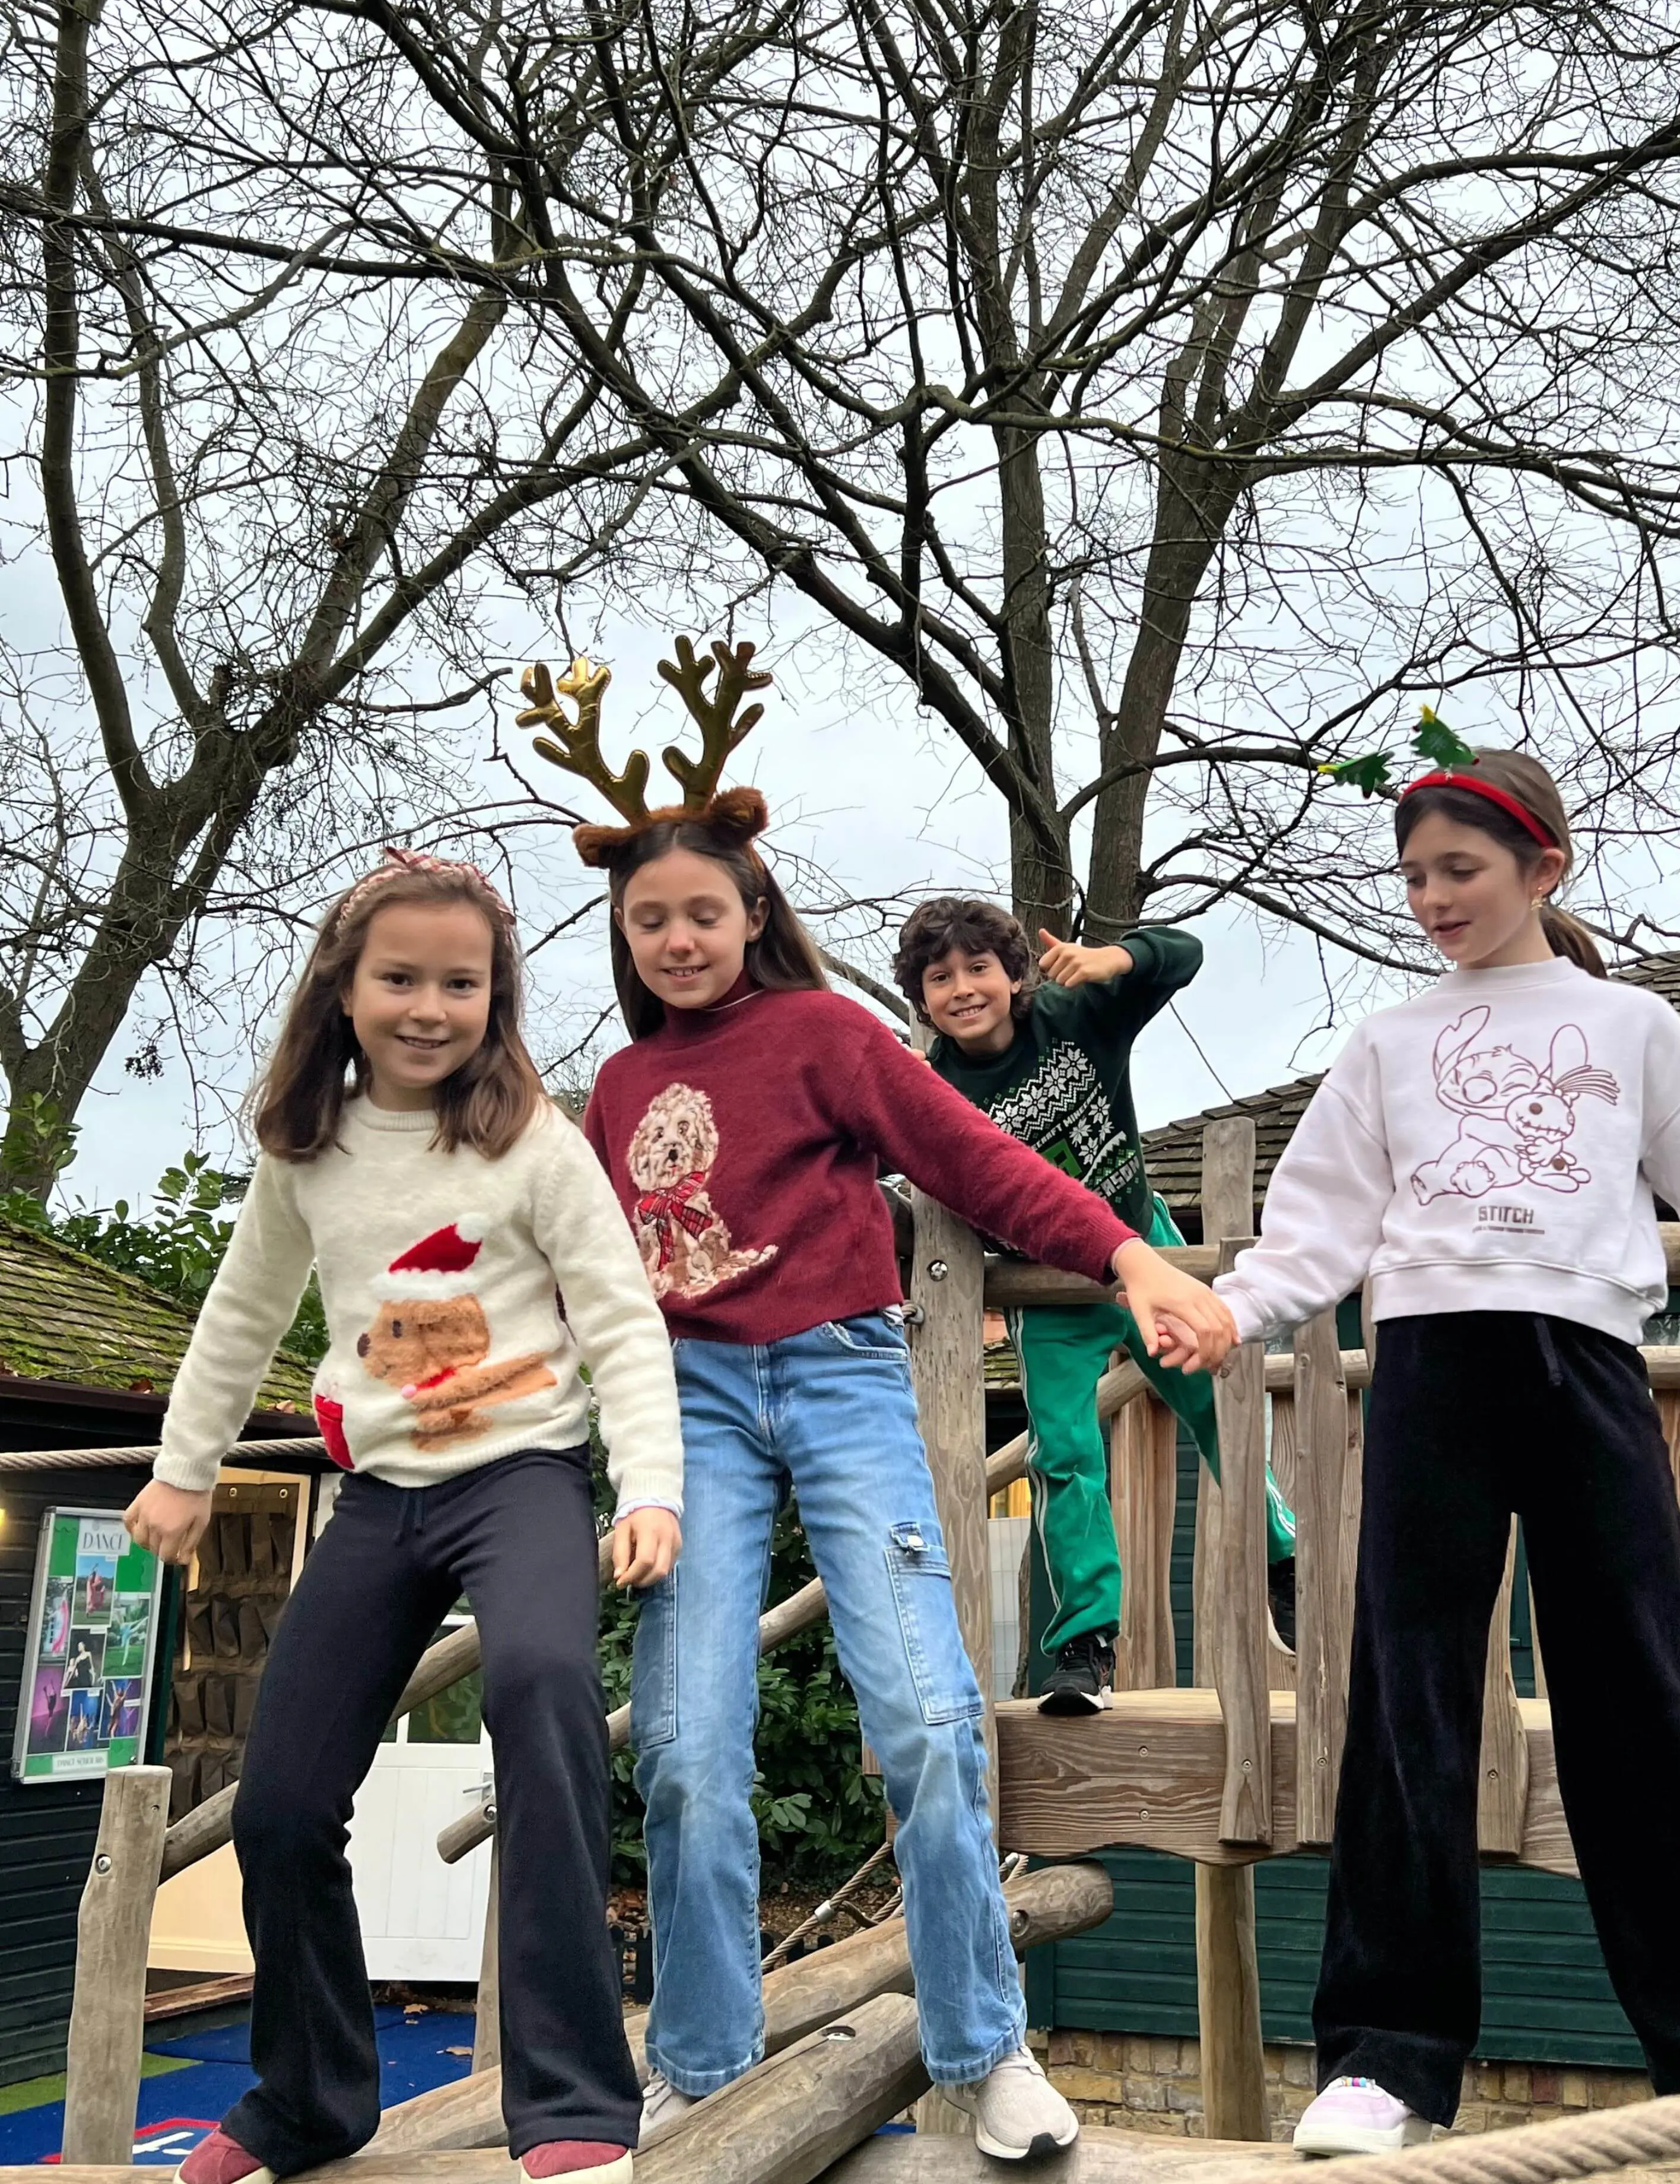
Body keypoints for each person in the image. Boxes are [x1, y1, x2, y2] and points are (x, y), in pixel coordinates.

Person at [518, 639, 1234, 2163]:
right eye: (648, 919)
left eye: (704, 910)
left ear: (752, 910)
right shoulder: (621, 1089)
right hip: (689, 1408)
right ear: (623, 934)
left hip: (841, 1374)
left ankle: (982, 2046)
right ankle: (702, 2059)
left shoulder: (830, 1035)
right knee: (688, 1744)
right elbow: (584, 1272)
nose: (678, 938)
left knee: (920, 1712)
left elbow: (975, 1160)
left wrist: (1124, 1253)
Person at [123, 849, 684, 2184]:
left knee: (544, 1693)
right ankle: (307, 2099)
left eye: (460, 984)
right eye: (401, 980)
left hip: (520, 1476)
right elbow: (242, 1314)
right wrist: (185, 1468)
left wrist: (649, 1485)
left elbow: (620, 1317)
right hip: (381, 1495)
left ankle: (572, 2100)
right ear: (346, 987)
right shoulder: (307, 1149)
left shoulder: (531, 1141)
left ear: (496, 999)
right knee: (278, 1801)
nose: (430, 1008)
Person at [1209, 748, 1680, 2154]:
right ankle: (1386, 2057)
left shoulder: (1628, 1026)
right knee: (1409, 1696)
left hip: (1586, 1369)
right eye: (1414, 875)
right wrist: (1229, 1309)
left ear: (1540, 866)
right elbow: (1315, 1224)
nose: (1433, 896)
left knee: (1639, 1695)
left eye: (1460, 869)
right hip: (1432, 1372)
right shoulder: (1390, 1042)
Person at [892, 897, 1298, 1712]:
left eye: (978, 969)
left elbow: (1183, 953)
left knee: (1212, 1405)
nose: (963, 988)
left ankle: (1283, 1563)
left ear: (1016, 976)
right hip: (1047, 1288)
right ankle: (1085, 1644)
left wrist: (1118, 959)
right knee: (1064, 1452)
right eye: (940, 979)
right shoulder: (935, 1095)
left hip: (1145, 1254)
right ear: (923, 1001)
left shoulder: (1073, 1018)